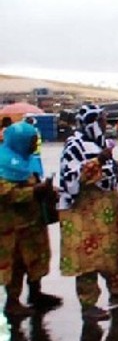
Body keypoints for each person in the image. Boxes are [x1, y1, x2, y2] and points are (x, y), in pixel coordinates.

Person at [58, 105, 118, 321]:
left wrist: (116, 164)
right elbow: (71, 179)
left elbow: (103, 171)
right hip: (84, 213)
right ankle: (88, 304)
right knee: (89, 258)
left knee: (114, 253)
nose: (106, 124)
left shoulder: (98, 142)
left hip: (106, 210)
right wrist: (100, 161)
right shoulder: (74, 144)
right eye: (102, 120)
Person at [0, 122, 61, 317]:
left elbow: (34, 180)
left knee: (37, 258)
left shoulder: (26, 160)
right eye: (31, 141)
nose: (35, 145)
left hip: (33, 221)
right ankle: (12, 302)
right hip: (12, 225)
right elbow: (6, 193)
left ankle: (36, 294)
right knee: (17, 263)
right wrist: (33, 191)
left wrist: (48, 190)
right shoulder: (3, 162)